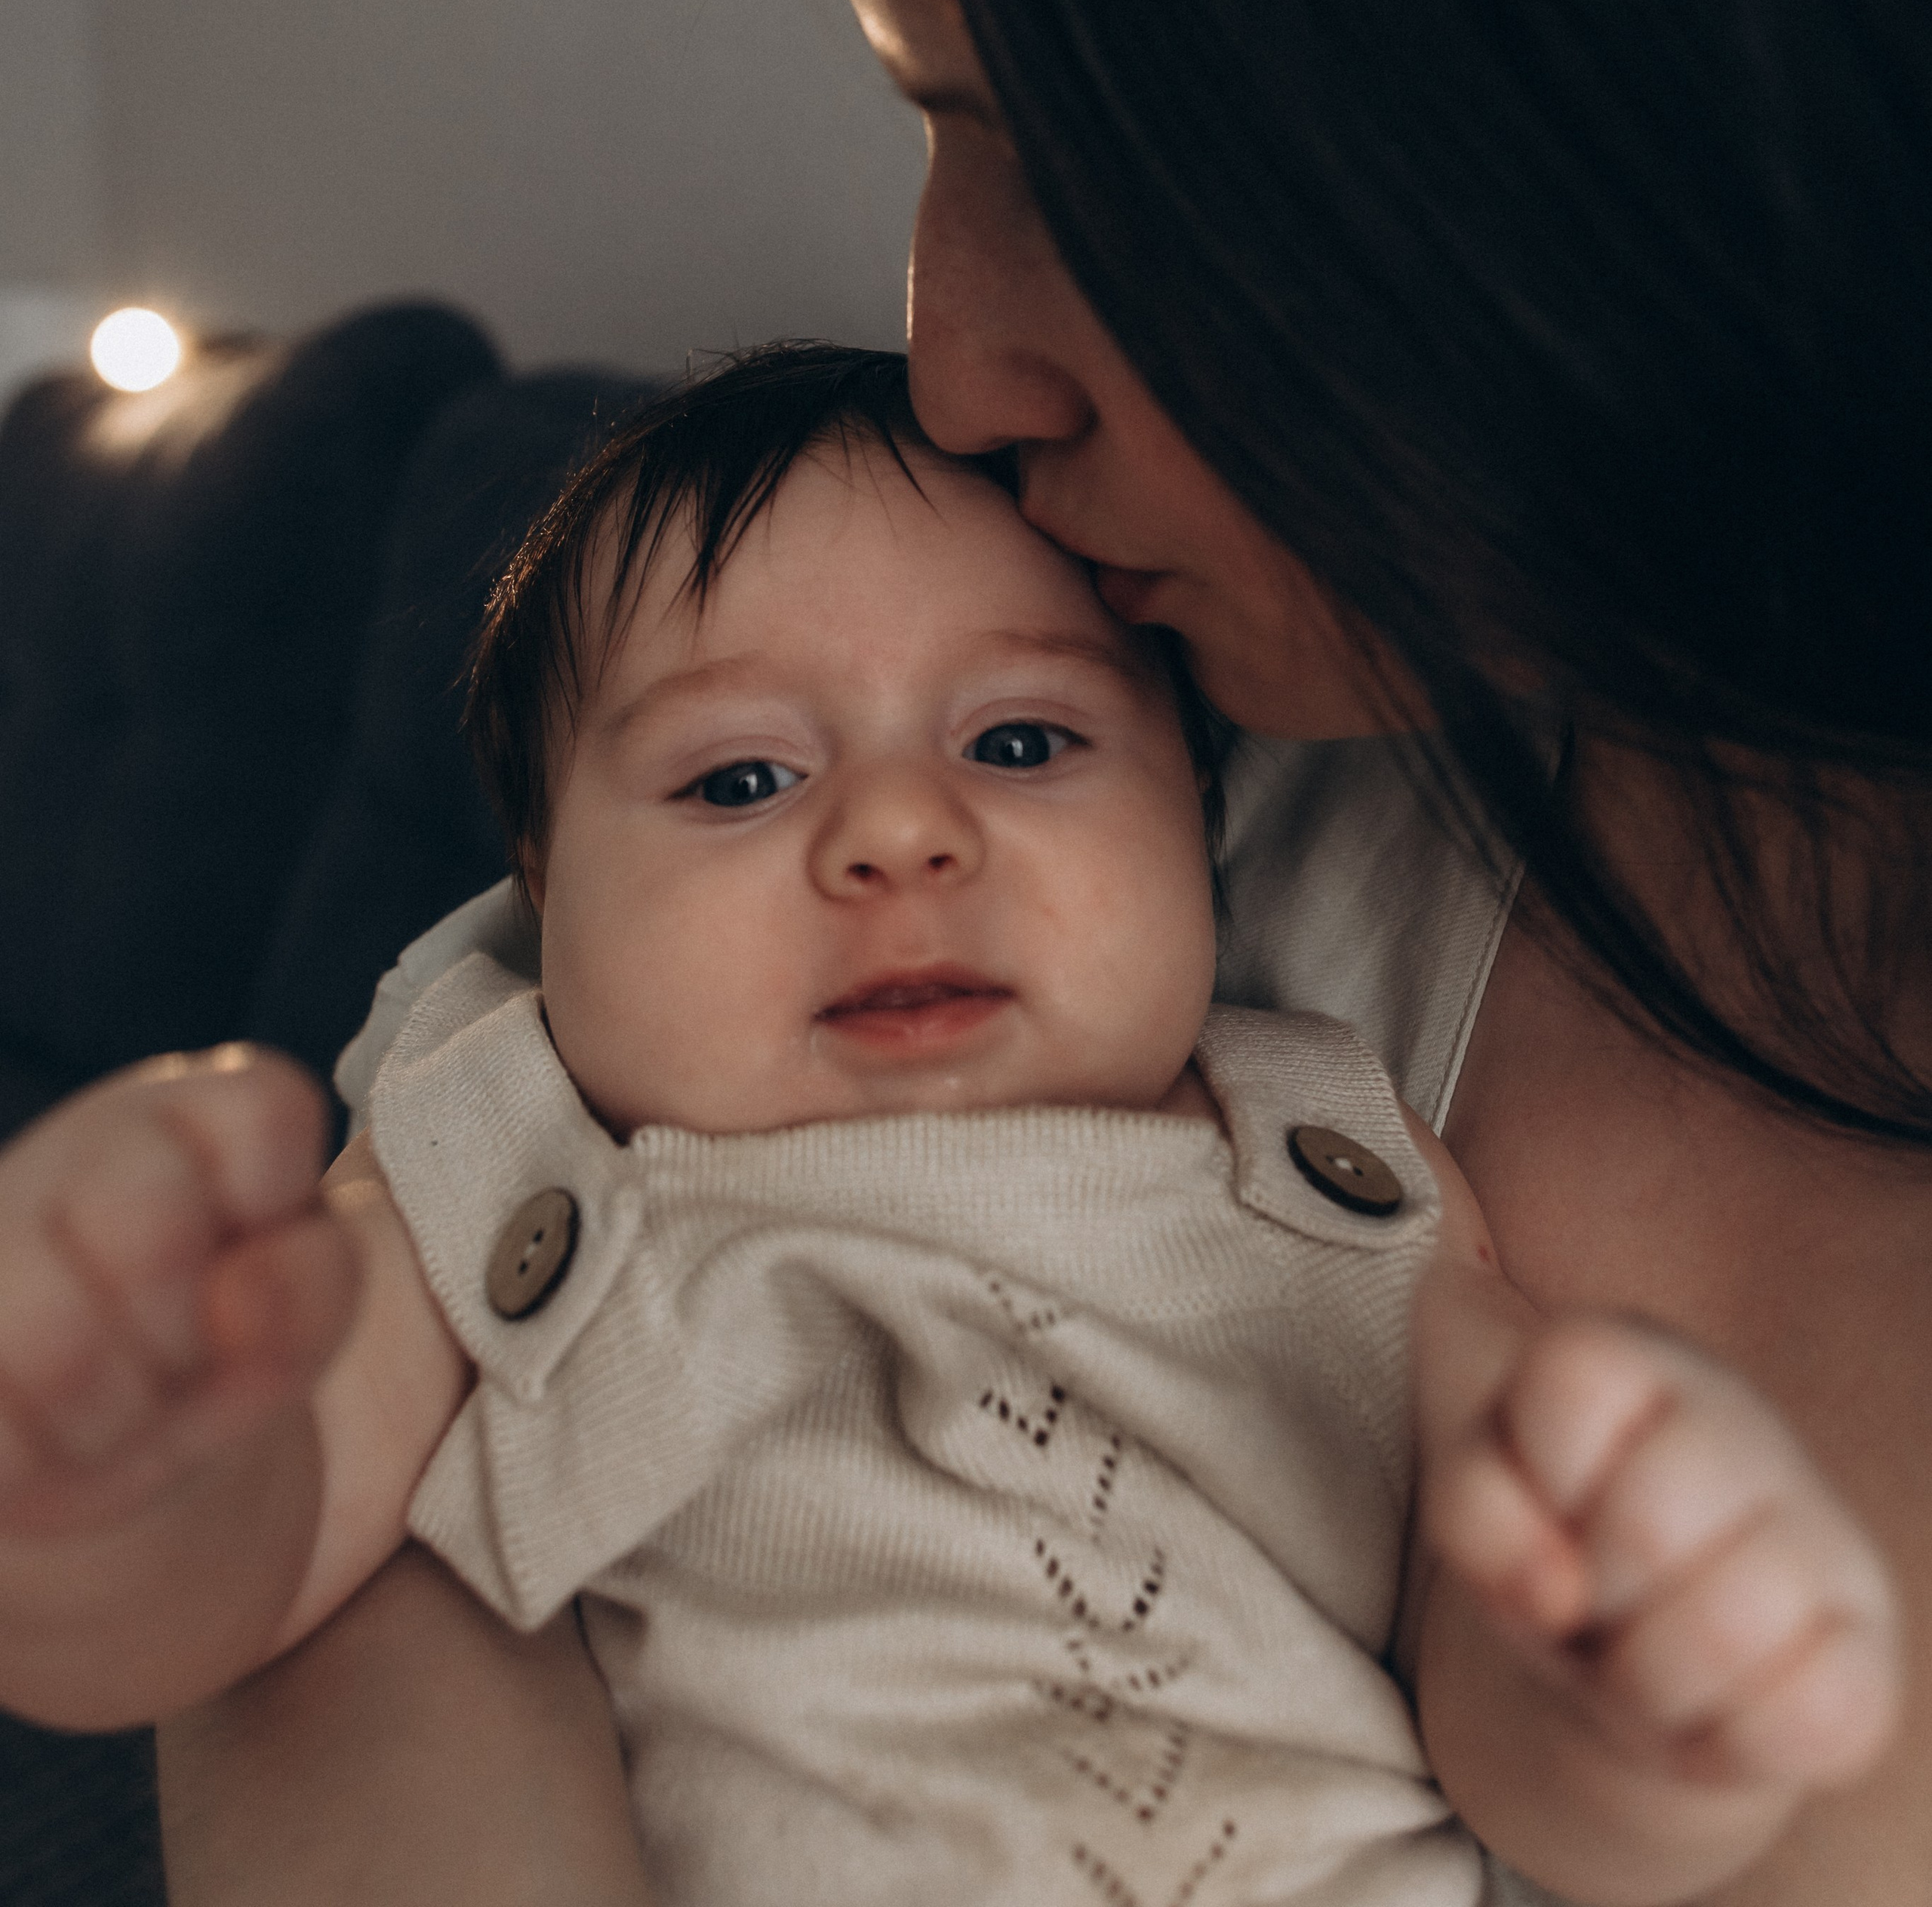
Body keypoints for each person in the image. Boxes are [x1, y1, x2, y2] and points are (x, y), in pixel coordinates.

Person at [157, 0, 1932, 1899]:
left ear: (1645, 80)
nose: (954, 371)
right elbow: (391, 1519)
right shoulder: (1224, 805)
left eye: (1061, 145)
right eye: (922, 126)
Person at [0, 346, 1901, 1907]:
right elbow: (234, 1590)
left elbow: (1498, 1699)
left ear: (1199, 831)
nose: (899, 835)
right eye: (741, 776)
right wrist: (105, 1471)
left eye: (1021, 744)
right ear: (540, 885)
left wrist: (1628, 1701)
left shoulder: (1340, 1157)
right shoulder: (516, 1143)